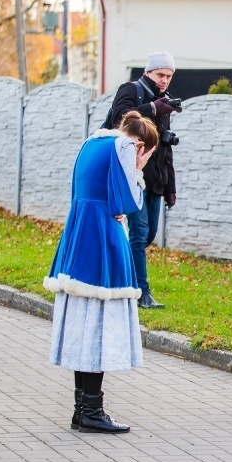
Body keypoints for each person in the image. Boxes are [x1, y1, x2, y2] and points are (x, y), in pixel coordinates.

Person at [44, 111, 159, 434]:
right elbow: (128, 203)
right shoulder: (124, 146)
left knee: (84, 320)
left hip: (79, 233)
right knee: (99, 322)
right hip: (102, 237)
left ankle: (82, 409)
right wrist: (138, 169)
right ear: (141, 145)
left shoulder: (91, 142)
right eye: (146, 152)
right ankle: (92, 411)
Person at [106, 51, 181, 308]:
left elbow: (165, 147)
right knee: (138, 235)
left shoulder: (165, 102)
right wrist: (152, 109)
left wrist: (170, 186)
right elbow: (119, 119)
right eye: (160, 74)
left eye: (169, 76)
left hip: (156, 181)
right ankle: (141, 293)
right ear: (148, 72)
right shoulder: (131, 90)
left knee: (148, 235)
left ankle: (118, 276)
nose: (164, 80)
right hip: (133, 176)